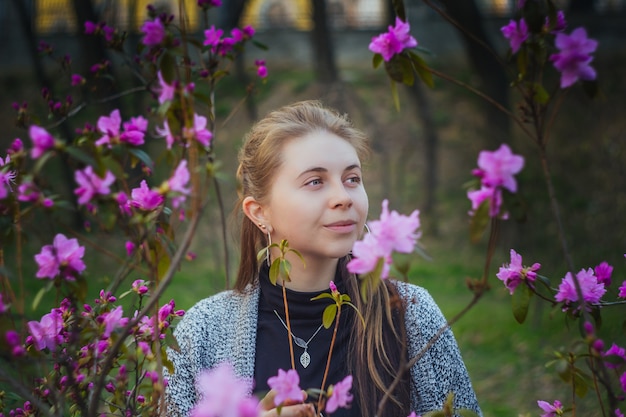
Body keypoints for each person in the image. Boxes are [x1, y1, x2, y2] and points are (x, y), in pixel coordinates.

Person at [164, 100, 482, 417]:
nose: (344, 197)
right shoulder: (205, 330)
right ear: (260, 212)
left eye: (352, 179)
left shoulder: (410, 313)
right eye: (315, 181)